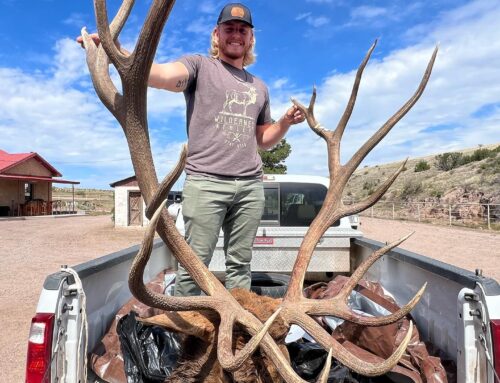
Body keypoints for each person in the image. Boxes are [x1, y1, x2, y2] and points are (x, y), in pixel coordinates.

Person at [78, 3, 305, 296]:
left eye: (242, 30)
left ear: (250, 39)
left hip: (250, 187)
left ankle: (235, 331)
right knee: (194, 265)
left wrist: (285, 122)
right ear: (217, 34)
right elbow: (158, 74)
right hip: (206, 183)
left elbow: (262, 138)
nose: (236, 35)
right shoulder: (199, 66)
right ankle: (186, 334)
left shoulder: (259, 87)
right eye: (229, 29)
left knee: (241, 265)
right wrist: (116, 50)